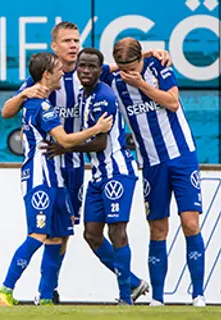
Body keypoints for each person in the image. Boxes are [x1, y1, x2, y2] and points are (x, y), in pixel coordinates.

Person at [2, 21, 163, 303]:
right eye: (67, 41)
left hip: (75, 162)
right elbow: (6, 111)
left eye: (76, 40)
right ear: (54, 46)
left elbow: (120, 67)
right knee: (52, 231)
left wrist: (151, 55)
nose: (74, 45)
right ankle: (47, 292)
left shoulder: (87, 73)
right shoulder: (42, 79)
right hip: (51, 160)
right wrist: (24, 95)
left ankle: (54, 291)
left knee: (65, 233)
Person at [0, 52, 113, 306]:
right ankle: (5, 289)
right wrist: (97, 129)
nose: (63, 72)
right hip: (40, 178)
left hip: (56, 178)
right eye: (58, 69)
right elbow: (66, 140)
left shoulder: (39, 99)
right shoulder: (41, 105)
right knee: (38, 234)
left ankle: (46, 296)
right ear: (47, 75)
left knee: (58, 236)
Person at [107, 37, 205, 307]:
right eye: (123, 68)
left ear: (141, 59)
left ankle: (198, 294)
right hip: (151, 162)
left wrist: (142, 83)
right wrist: (121, 72)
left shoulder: (157, 67)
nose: (129, 73)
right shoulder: (116, 83)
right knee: (158, 229)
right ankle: (158, 299)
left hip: (182, 155)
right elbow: (91, 70)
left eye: (132, 67)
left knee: (190, 223)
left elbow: (173, 102)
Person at [43, 48, 139, 305]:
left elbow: (100, 143)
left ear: (99, 70)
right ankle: (135, 283)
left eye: (91, 67)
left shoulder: (103, 96)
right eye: (82, 66)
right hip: (97, 175)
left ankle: (125, 296)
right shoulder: (86, 94)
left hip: (117, 172)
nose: (85, 71)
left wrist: (66, 146)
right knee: (92, 235)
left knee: (117, 231)